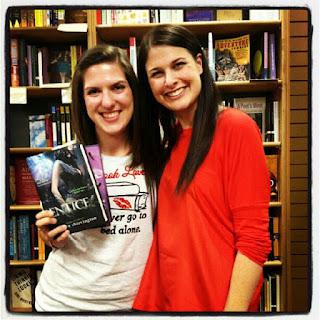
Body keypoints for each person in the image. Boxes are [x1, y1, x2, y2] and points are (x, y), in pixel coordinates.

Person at [133, 24, 271, 312]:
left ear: (199, 63)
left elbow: (254, 242)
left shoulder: (236, 128)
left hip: (217, 302)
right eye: (157, 74)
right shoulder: (165, 142)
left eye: (178, 65)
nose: (169, 80)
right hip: (168, 301)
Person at [34, 45, 161, 312]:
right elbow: (58, 230)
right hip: (63, 303)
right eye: (93, 91)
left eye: (117, 87)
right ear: (82, 101)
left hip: (136, 305)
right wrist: (52, 235)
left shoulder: (160, 157)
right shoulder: (68, 161)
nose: (107, 102)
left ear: (133, 92)